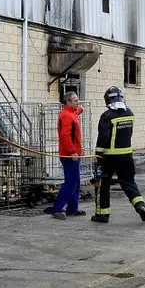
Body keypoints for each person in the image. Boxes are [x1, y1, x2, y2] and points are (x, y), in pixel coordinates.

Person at [91, 86, 145, 223]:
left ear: (108, 100)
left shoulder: (107, 116)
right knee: (129, 182)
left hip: (108, 157)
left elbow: (103, 138)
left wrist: (98, 156)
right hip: (127, 155)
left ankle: (102, 214)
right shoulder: (129, 113)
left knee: (103, 184)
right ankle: (140, 205)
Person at [50, 91, 86, 220]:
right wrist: (72, 151)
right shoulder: (66, 116)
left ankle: (72, 208)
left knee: (75, 183)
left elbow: (76, 112)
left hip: (73, 155)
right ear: (68, 102)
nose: (78, 102)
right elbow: (65, 136)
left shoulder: (71, 113)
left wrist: (81, 109)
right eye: (75, 101)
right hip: (69, 156)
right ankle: (57, 209)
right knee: (70, 183)